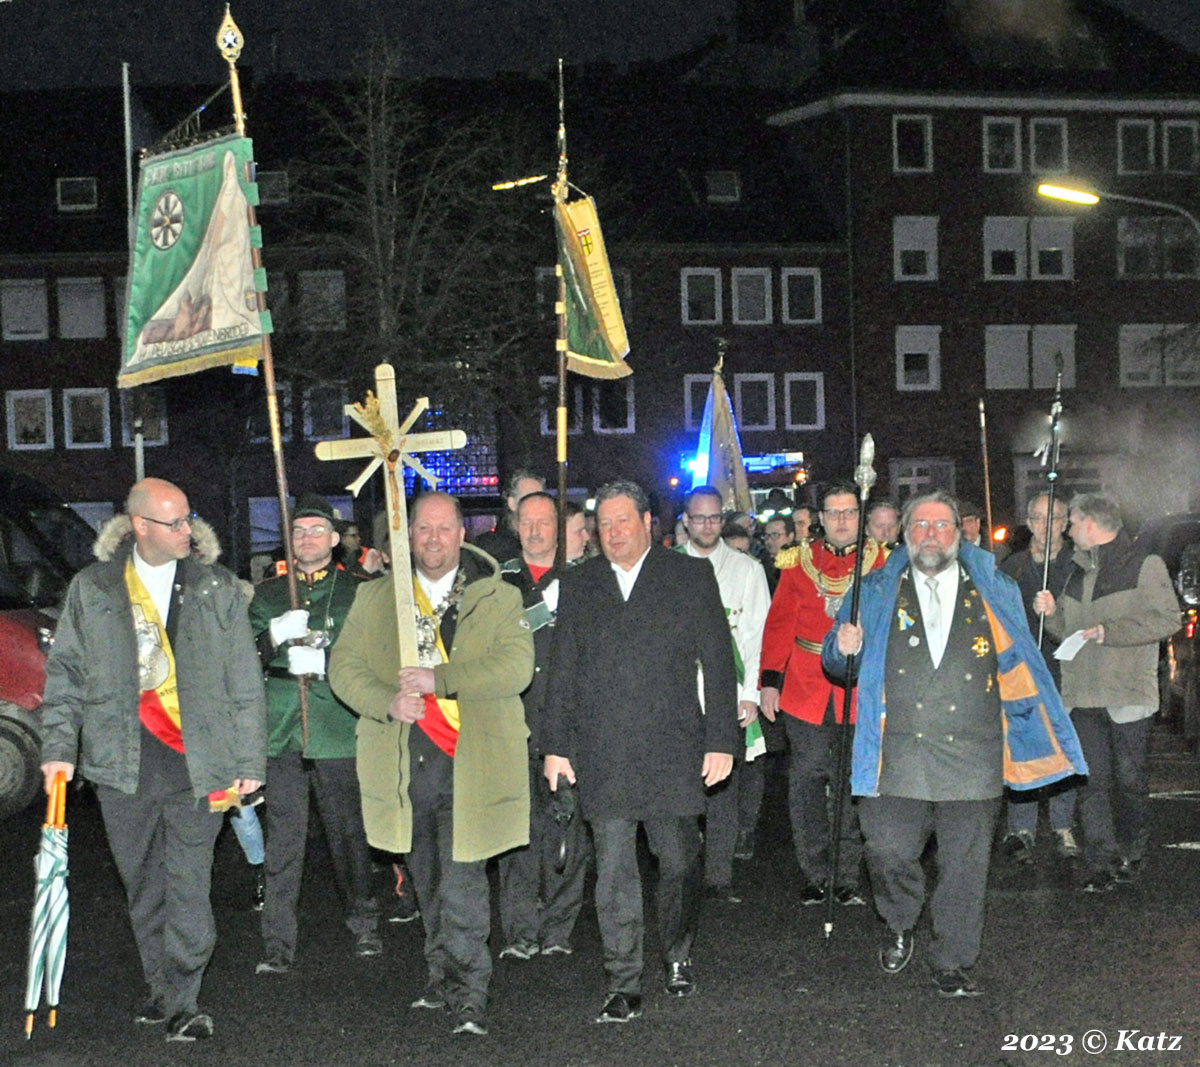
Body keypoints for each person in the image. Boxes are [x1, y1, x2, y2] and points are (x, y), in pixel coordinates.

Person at [824, 491, 1085, 997]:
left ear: (960, 535)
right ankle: (901, 919)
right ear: (904, 534)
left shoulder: (995, 587)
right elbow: (839, 664)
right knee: (887, 848)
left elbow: (1025, 657)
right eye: (919, 525)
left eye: (941, 525)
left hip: (974, 751)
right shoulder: (874, 589)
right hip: (894, 750)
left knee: (966, 865)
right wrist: (842, 648)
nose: (930, 535)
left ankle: (953, 959)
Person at [39, 478, 267, 1042]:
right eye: (175, 522)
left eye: (189, 519)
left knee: (189, 885)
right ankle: (161, 987)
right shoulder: (93, 588)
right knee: (143, 885)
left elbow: (245, 680)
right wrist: (58, 750)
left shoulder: (217, 588)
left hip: (200, 762)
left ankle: (185, 997)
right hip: (121, 765)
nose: (188, 531)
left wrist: (249, 759)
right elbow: (65, 673)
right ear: (139, 525)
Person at [329, 492, 533, 1037]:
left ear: (462, 533)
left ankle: (471, 992)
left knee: (464, 884)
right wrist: (386, 700)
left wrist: (439, 681)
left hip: (472, 762)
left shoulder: (497, 596)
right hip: (405, 765)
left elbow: (516, 667)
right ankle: (439, 974)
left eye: (444, 529)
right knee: (426, 882)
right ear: (408, 536)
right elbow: (343, 669)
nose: (434, 540)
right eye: (423, 530)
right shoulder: (377, 600)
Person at [543, 480, 737, 1024]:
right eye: (604, 524)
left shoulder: (688, 576)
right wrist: (556, 746)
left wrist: (722, 739)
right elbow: (563, 671)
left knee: (678, 860)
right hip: (602, 750)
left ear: (648, 522)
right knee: (613, 871)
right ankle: (622, 980)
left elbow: (719, 662)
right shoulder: (579, 585)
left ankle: (677, 950)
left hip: (674, 748)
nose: (614, 533)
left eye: (623, 521)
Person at [249, 494, 380, 974]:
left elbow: (377, 653)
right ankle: (277, 944)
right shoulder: (266, 596)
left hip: (337, 726)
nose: (307, 539)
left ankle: (365, 923)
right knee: (283, 843)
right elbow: (242, 662)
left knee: (350, 836)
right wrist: (271, 638)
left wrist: (329, 664)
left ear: (334, 539)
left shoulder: (360, 590)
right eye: (298, 531)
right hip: (283, 730)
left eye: (316, 531)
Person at [1034, 492, 1180, 892]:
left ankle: (1133, 849)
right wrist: (1052, 615)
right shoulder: (1076, 572)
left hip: (1127, 694)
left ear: (1091, 524)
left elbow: (1168, 619)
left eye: (1072, 522)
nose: (1067, 529)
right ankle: (1102, 862)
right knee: (1091, 783)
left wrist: (1108, 632)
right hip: (1082, 695)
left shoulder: (1143, 565)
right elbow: (1066, 632)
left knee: (1129, 779)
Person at [759, 481, 887, 907]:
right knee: (808, 781)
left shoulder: (882, 561)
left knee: (853, 783)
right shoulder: (798, 561)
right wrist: (770, 682)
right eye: (833, 513)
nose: (842, 520)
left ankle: (847, 873)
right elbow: (779, 623)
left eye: (850, 512)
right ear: (821, 519)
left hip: (860, 686)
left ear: (861, 515)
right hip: (805, 687)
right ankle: (816, 872)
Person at [496, 493, 590, 959]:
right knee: (517, 831)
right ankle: (519, 930)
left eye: (544, 522)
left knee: (567, 830)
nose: (535, 531)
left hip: (568, 723)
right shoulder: (499, 581)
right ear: (516, 526)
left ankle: (558, 929)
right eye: (526, 522)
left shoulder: (582, 582)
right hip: (514, 721)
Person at [679, 487, 771, 899]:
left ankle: (718, 877)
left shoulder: (747, 570)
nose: (707, 525)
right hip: (677, 696)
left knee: (723, 789)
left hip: (727, 692)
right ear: (685, 521)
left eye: (714, 518)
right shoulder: (664, 568)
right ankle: (680, 872)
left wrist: (749, 693)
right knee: (680, 787)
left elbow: (755, 636)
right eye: (699, 518)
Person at [998, 492, 1080, 863]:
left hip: (1065, 669)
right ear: (1028, 523)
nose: (1047, 526)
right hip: (1022, 673)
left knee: (1062, 746)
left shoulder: (1079, 566)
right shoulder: (1012, 567)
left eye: (1055, 518)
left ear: (1066, 522)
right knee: (1025, 747)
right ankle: (1021, 829)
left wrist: (1058, 612)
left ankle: (1064, 826)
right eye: (1039, 518)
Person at [473, 468, 545, 564]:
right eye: (528, 498)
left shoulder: (551, 542)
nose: (536, 504)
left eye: (541, 499)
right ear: (512, 503)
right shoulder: (486, 548)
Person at [762, 513, 796, 595]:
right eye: (766, 536)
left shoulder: (800, 563)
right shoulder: (762, 565)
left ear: (790, 537)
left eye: (775, 535)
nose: (769, 541)